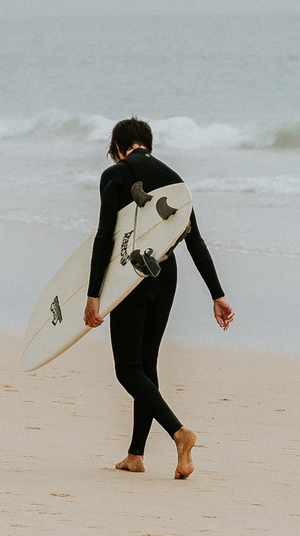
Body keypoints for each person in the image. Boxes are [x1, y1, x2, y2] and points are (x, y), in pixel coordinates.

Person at [84, 117, 232, 479]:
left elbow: (106, 238)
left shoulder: (115, 175)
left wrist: (93, 294)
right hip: (166, 275)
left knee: (127, 370)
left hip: (131, 277)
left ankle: (179, 433)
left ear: (118, 148)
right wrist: (218, 294)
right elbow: (194, 240)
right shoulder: (174, 179)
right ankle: (135, 454)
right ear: (148, 144)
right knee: (146, 366)